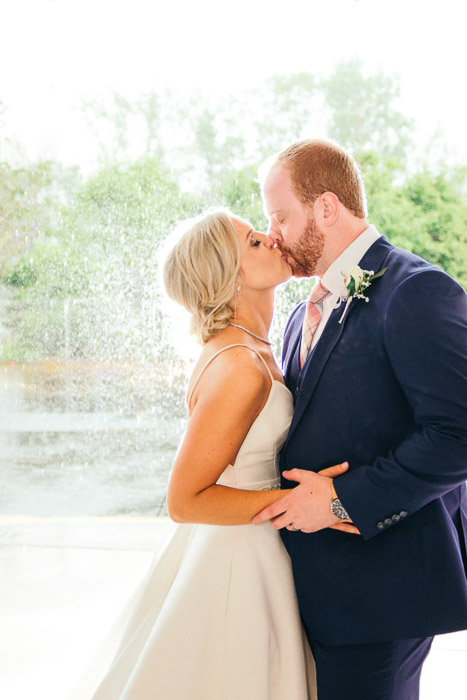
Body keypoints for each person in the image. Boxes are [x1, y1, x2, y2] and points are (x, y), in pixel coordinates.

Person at [81, 208, 350, 700]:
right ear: (229, 280)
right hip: (236, 560)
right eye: (252, 242)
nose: (270, 238)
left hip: (253, 546)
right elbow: (185, 499)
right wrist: (308, 506)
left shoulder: (253, 346)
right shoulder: (241, 366)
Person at [252, 139, 467, 700]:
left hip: (382, 596)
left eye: (281, 216)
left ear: (327, 207)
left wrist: (341, 499)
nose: (273, 234)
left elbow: (459, 435)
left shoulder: (416, 290)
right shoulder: (302, 313)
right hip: (313, 590)